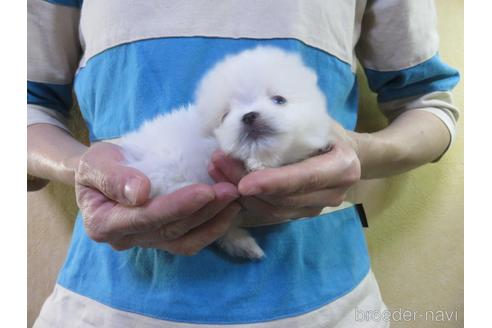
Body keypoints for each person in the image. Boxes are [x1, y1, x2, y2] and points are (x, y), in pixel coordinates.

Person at [27, 0, 460, 327]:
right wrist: (87, 171)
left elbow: (430, 101)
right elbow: (25, 107)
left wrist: (357, 152)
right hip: (105, 305)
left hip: (328, 303)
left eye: (274, 100)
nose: (252, 114)